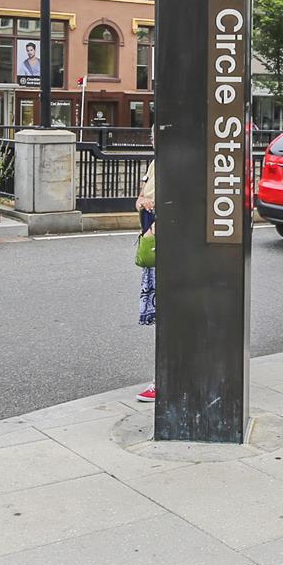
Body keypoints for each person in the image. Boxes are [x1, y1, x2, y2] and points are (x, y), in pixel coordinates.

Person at [134, 157, 157, 404]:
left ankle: (164, 379)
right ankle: (162, 377)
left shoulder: (179, 162)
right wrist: (143, 202)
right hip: (151, 240)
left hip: (165, 242)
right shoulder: (155, 163)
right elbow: (139, 199)